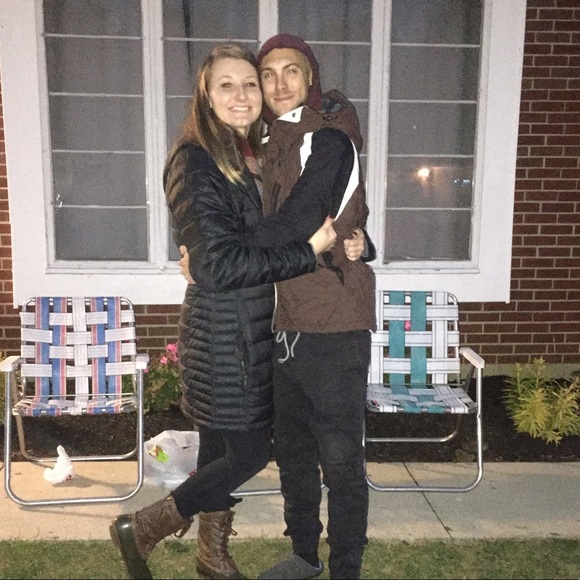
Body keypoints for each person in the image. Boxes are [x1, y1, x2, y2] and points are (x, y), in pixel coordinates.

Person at [109, 44, 337, 580]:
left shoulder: (244, 154)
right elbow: (219, 265)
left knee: (217, 449)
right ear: (206, 97)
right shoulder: (196, 159)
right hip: (226, 333)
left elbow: (226, 245)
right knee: (251, 451)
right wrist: (307, 252)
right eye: (226, 85)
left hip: (242, 327)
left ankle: (211, 556)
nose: (242, 95)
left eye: (249, 83)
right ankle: (142, 527)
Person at [252, 35, 377, 580]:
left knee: (341, 459)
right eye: (268, 73)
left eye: (291, 71)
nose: (279, 83)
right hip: (285, 326)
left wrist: (219, 251)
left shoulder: (329, 140)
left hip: (334, 326)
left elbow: (301, 217)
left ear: (310, 79)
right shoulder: (269, 143)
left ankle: (346, 566)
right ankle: (304, 554)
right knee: (294, 454)